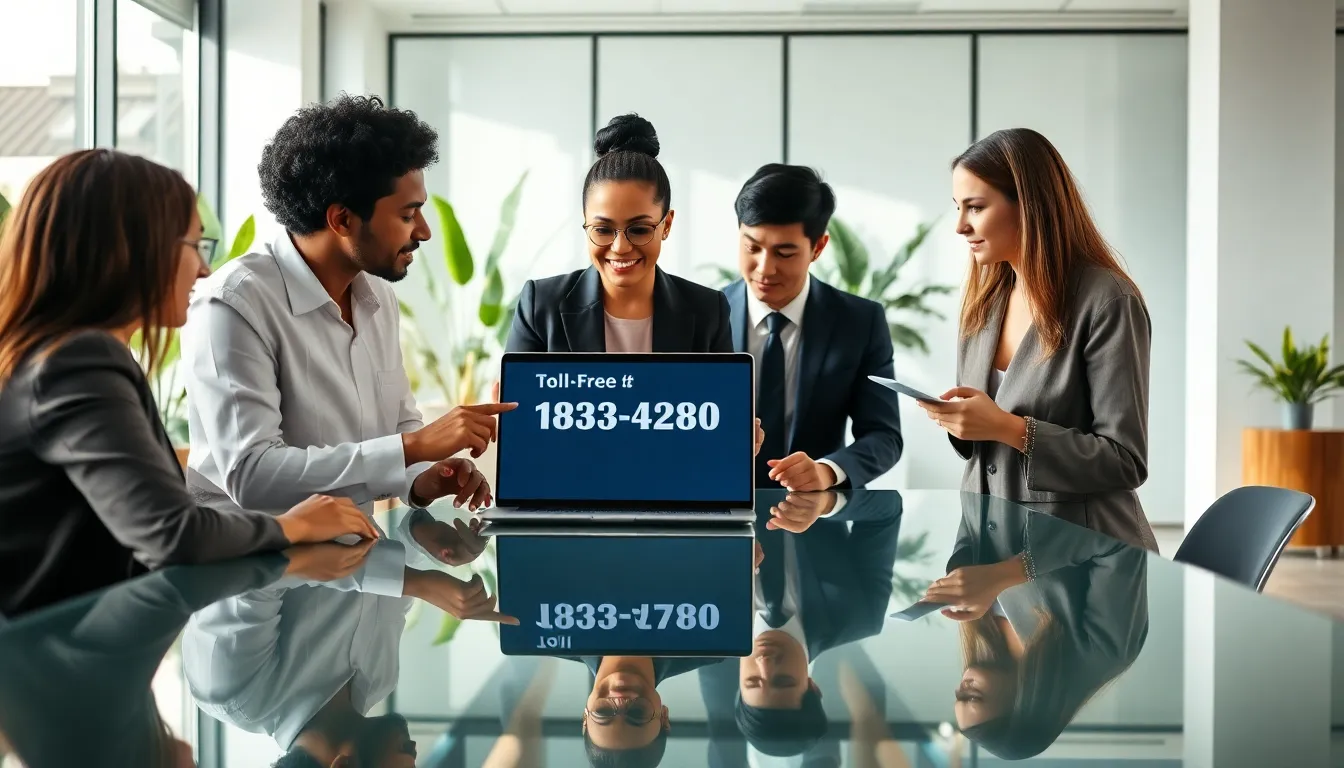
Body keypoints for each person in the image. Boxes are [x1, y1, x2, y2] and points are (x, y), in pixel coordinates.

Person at [0, 149, 377, 618]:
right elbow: (173, 534)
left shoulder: (65, 357)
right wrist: (293, 526)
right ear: (132, 249)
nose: (202, 270)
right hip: (59, 672)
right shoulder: (79, 363)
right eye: (194, 247)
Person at [180, 95, 516, 595]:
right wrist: (414, 447)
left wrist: (424, 477)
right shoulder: (233, 305)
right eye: (408, 214)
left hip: (359, 573)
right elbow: (251, 475)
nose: (423, 231)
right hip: (255, 582)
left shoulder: (375, 292)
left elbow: (397, 424)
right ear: (341, 219)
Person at [917, 128, 1158, 551]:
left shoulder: (1106, 301)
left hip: (1088, 567)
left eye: (975, 207)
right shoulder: (984, 302)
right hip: (993, 555)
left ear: (1029, 207)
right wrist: (963, 423)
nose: (959, 226)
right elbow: (985, 452)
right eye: (957, 207)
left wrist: (1008, 428)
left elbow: (1125, 461)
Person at [927, 494, 1149, 760]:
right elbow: (1122, 543)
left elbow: (981, 521)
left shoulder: (983, 632)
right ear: (1022, 706)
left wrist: (960, 569)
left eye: (957, 695)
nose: (962, 687)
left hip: (992, 465)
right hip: (1062, 472)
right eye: (972, 697)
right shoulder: (1104, 653)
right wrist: (1012, 572)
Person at [723, 164, 902, 491]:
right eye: (752, 247)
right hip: (717, 511)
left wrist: (827, 471)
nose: (765, 268)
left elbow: (884, 435)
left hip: (816, 519)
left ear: (817, 247)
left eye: (785, 252)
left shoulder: (860, 322)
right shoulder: (703, 313)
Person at [506, 113, 733, 354]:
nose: (620, 247)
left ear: (666, 225)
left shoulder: (708, 312)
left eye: (639, 229)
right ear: (585, 222)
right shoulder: (540, 307)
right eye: (603, 230)